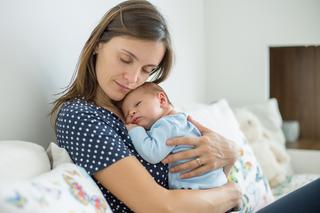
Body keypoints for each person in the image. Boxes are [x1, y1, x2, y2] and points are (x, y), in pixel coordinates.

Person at [50, 0, 241, 212]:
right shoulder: (80, 117)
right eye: (125, 59)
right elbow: (160, 208)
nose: (132, 78)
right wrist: (233, 193)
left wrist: (231, 152)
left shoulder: (145, 108)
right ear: (98, 44)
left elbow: (203, 177)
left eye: (146, 69)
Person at [122, 82, 229, 190]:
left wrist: (135, 130)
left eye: (137, 104)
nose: (131, 112)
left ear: (162, 100)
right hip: (211, 185)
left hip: (199, 187)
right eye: (126, 114)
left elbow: (152, 153)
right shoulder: (178, 121)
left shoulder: (169, 123)